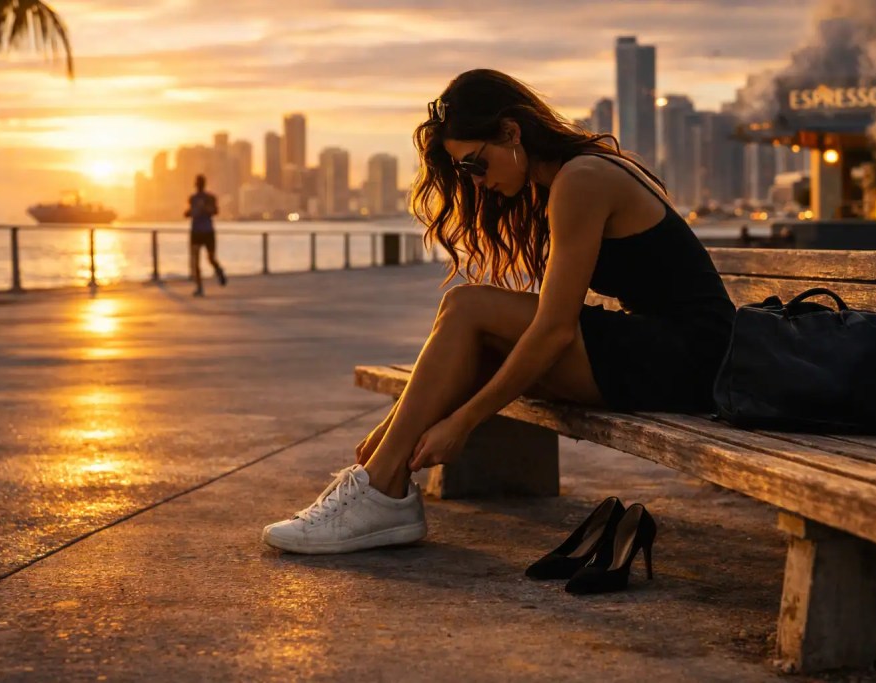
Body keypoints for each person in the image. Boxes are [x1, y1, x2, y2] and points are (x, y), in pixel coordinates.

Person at [262, 69, 735, 555]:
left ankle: (382, 488)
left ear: (511, 132)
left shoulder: (582, 178)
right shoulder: (565, 178)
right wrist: (393, 430)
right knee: (471, 317)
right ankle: (381, 480)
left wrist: (461, 422)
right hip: (668, 350)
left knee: (467, 307)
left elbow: (553, 330)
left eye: (475, 164)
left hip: (692, 359)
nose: (478, 180)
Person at [184, 174, 227, 296]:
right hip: (196, 232)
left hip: (207, 231)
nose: (198, 185)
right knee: (195, 260)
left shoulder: (210, 198)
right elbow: (188, 212)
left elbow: (215, 211)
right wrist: (189, 212)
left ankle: (219, 271)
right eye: (197, 183)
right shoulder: (192, 198)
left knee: (211, 258)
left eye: (199, 183)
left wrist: (205, 209)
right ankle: (199, 287)